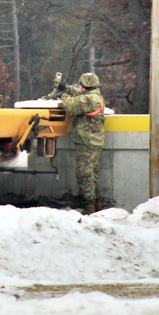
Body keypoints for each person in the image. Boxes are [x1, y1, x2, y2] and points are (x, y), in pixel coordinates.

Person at [60, 72, 106, 214]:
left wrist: (62, 96)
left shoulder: (91, 99)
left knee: (85, 174)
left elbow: (73, 105)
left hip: (88, 142)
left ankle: (90, 207)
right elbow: (79, 95)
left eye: (81, 85)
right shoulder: (94, 96)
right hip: (91, 141)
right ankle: (97, 204)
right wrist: (65, 88)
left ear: (86, 86)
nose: (79, 87)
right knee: (92, 174)